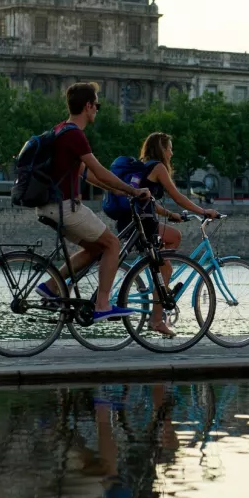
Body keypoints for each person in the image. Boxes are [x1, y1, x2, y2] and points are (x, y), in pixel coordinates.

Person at [34, 82, 151, 322]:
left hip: (50, 205)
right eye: (96, 104)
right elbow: (99, 169)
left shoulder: (60, 130)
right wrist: (132, 189)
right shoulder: (75, 135)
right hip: (64, 206)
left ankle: (51, 286)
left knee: (96, 248)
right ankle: (103, 304)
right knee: (112, 245)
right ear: (87, 106)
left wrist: (120, 192)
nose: (97, 109)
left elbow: (88, 174)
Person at [94, 132, 220, 336]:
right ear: (161, 149)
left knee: (173, 240)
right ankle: (157, 318)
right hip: (143, 223)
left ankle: (158, 287)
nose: (172, 152)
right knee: (166, 269)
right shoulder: (158, 167)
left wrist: (171, 215)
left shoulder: (144, 166)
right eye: (169, 148)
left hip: (134, 219)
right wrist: (203, 211)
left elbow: (147, 200)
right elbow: (177, 196)